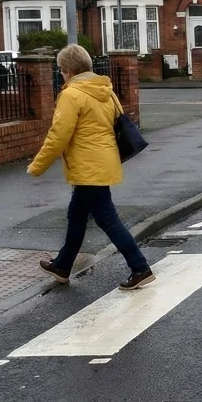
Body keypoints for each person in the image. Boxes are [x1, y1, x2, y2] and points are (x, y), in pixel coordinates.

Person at [28, 44, 154, 290]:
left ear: (68, 70)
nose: (61, 75)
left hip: (87, 167)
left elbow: (58, 135)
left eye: (61, 71)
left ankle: (140, 267)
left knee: (107, 219)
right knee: (76, 216)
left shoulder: (71, 94)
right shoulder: (105, 89)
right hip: (103, 161)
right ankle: (63, 266)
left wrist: (38, 165)